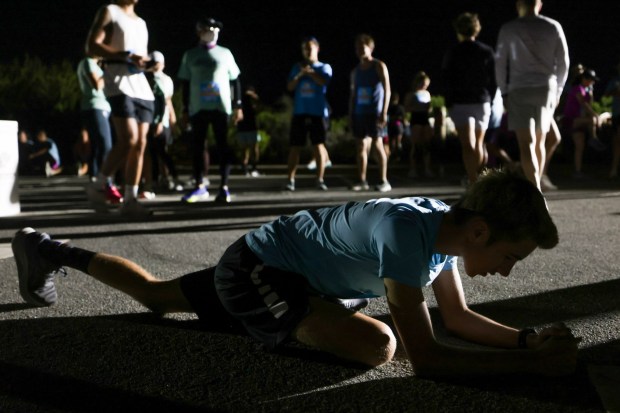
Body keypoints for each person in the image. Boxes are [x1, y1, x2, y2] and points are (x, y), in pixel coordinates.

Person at [11, 168, 580, 376]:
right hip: (261, 271)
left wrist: (526, 340)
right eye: (511, 257)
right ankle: (264, 321)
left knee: (158, 297)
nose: (506, 273)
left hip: (274, 263)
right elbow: (427, 357)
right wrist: (532, 369)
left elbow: (456, 319)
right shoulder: (408, 234)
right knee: (378, 345)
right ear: (481, 231)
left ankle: (48, 247)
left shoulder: (446, 228)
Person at [85, 0, 156, 216]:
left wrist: (147, 62)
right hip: (118, 81)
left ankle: (130, 199)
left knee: (140, 143)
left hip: (141, 86)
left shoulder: (142, 22)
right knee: (129, 140)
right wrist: (124, 55)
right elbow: (91, 47)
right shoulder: (109, 11)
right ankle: (99, 184)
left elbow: (139, 55)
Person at [495, 0, 569, 190]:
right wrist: (558, 90)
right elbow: (563, 62)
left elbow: (500, 63)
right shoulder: (552, 26)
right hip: (545, 88)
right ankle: (538, 186)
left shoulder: (509, 28)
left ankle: (534, 189)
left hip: (519, 88)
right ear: (540, 4)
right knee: (540, 142)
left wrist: (503, 91)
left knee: (525, 143)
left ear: (519, 4)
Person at [178, 17, 243, 203]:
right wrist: (184, 109)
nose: (213, 30)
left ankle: (224, 187)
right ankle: (199, 186)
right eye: (209, 28)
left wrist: (238, 105)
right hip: (198, 108)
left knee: (222, 146)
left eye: (215, 28)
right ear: (199, 31)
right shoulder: (190, 55)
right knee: (198, 146)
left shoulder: (225, 53)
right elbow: (185, 83)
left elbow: (235, 79)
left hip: (220, 107)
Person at [443, 13, 497, 186]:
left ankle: (473, 181)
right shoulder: (487, 51)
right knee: (479, 143)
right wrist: (491, 97)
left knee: (467, 144)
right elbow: (494, 79)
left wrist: (448, 101)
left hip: (460, 102)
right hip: (481, 101)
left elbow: (446, 78)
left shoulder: (453, 52)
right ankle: (478, 178)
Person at [285, 36, 332, 192]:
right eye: (304, 49)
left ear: (317, 49)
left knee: (318, 145)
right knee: (295, 146)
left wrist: (309, 72)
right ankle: (290, 180)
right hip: (300, 112)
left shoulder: (324, 67)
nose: (307, 51)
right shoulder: (296, 67)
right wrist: (299, 74)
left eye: (310, 48)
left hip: (317, 113)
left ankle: (319, 179)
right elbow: (290, 87)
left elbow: (323, 82)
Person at [349, 34, 392, 192]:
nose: (360, 49)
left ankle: (383, 180)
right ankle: (362, 180)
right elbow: (353, 95)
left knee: (377, 144)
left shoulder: (379, 65)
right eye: (357, 47)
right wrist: (350, 114)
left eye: (363, 46)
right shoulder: (355, 72)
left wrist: (384, 111)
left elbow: (387, 89)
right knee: (360, 146)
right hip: (359, 113)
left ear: (370, 48)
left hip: (376, 113)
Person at [142, 51, 181, 197]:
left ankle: (171, 177)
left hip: (160, 121)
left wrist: (172, 120)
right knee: (152, 152)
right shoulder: (145, 77)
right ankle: (155, 180)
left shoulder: (166, 80)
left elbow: (166, 101)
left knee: (162, 151)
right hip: (148, 120)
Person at [76, 55, 112, 180]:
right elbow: (96, 85)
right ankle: (104, 179)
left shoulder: (93, 64)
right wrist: (108, 72)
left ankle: (95, 176)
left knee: (97, 145)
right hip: (96, 106)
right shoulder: (88, 62)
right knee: (105, 145)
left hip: (99, 107)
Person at [403, 71, 434, 178]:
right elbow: (406, 108)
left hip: (425, 118)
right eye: (423, 84)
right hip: (416, 118)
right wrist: (417, 107)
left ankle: (427, 169)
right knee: (415, 145)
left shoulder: (427, 93)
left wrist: (428, 108)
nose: (424, 86)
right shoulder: (411, 94)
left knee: (426, 145)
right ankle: (413, 169)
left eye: (426, 85)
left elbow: (430, 108)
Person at [236, 86, 262, 177]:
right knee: (243, 149)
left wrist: (253, 97)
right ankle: (244, 168)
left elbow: (259, 108)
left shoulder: (254, 100)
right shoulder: (240, 99)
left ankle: (254, 168)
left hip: (252, 127)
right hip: (242, 127)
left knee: (254, 149)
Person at [603, 58, 620, 179]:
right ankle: (613, 170)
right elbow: (606, 96)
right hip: (617, 114)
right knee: (616, 142)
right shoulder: (614, 81)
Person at [385, 92, 406, 161]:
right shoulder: (400, 107)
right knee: (398, 142)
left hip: (391, 125)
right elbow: (403, 118)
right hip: (398, 125)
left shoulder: (388, 107)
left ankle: (393, 156)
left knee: (391, 142)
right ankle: (398, 157)